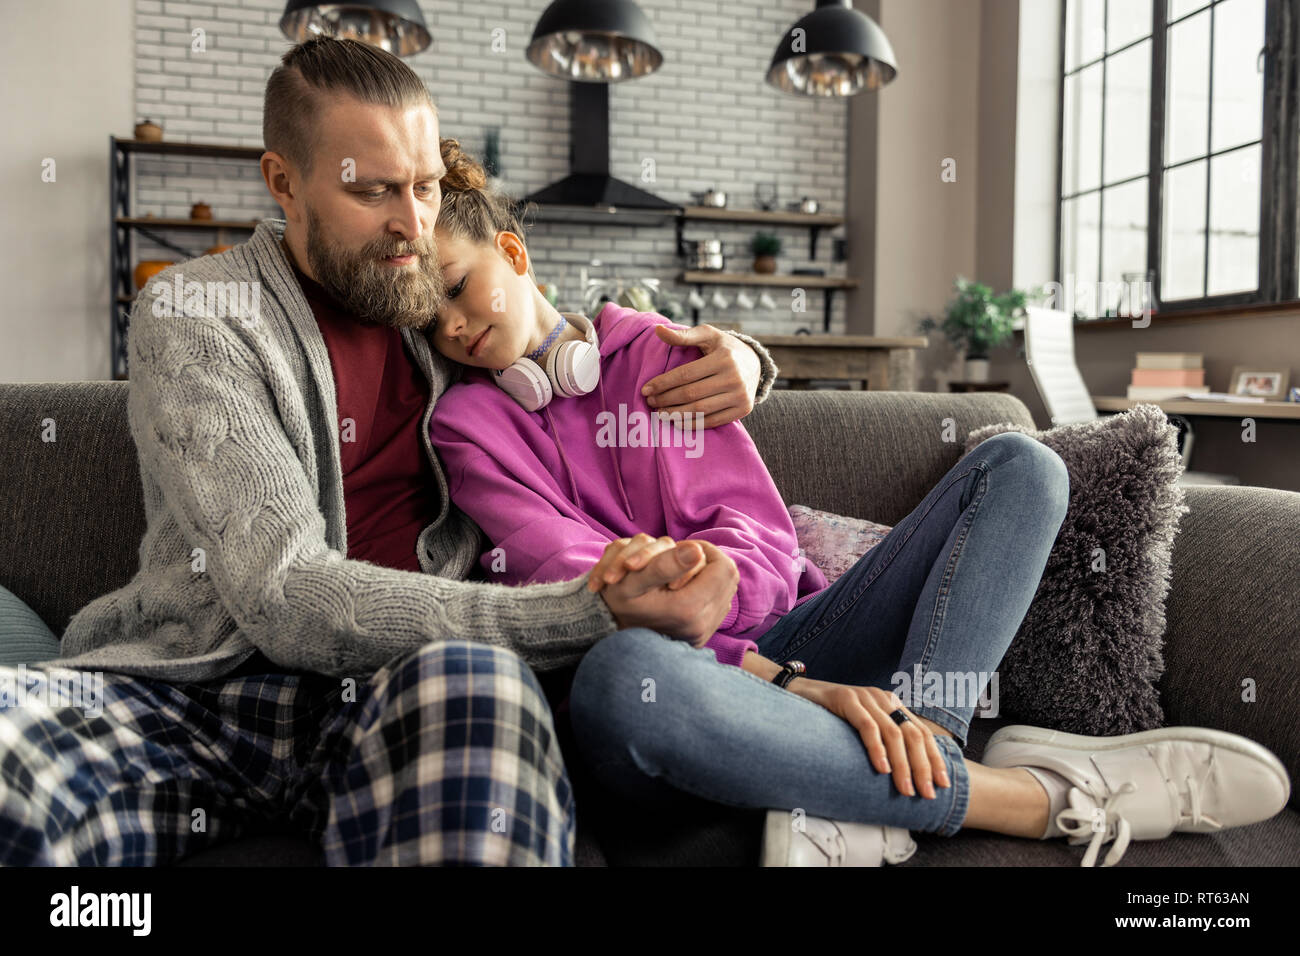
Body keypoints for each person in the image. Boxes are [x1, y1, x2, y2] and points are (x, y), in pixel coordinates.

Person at [0, 36, 778, 867]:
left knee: (486, 696)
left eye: (426, 187)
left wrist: (745, 358)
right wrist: (584, 612)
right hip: (195, 693)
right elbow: (285, 591)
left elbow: (574, 337)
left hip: (401, 688)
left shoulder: (438, 309)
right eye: (372, 191)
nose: (412, 223)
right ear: (284, 183)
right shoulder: (198, 313)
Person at [426, 142, 1292, 867]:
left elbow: (755, 532)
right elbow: (579, 594)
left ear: (511, 253)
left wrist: (733, 596)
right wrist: (795, 687)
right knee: (625, 680)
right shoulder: (466, 427)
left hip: (797, 638)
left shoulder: (662, 354)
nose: (454, 329)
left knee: (1023, 466)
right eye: (430, 323)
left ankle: (923, 743)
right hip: (699, 686)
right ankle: (1027, 797)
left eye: (458, 287)